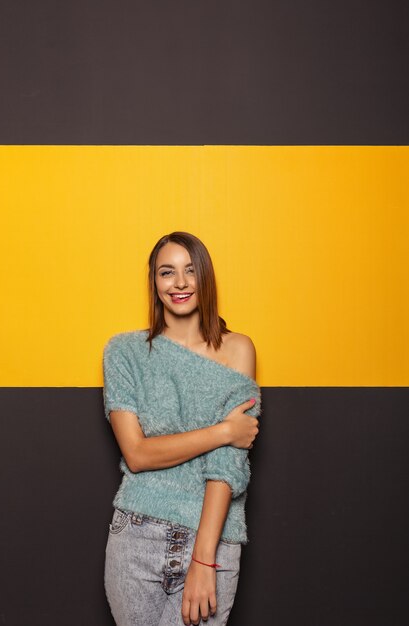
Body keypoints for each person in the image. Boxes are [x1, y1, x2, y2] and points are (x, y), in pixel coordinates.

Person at [102, 231, 261, 626]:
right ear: (155, 284)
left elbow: (227, 467)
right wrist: (223, 431)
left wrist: (203, 559)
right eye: (167, 272)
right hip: (135, 535)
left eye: (191, 271)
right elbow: (136, 455)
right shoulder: (124, 352)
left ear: (204, 278)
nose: (180, 283)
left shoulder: (238, 349)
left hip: (213, 542)